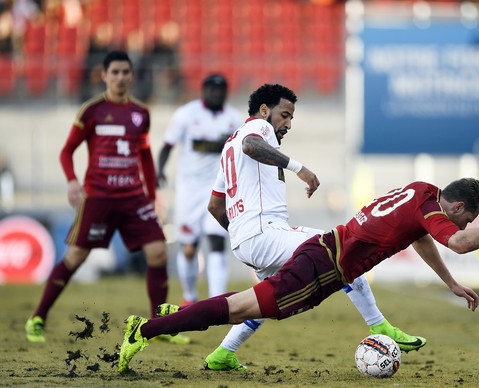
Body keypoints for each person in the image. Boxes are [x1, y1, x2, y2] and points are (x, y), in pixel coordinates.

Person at [124, 83, 426, 372]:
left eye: (292, 117)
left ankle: (221, 353)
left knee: (258, 304)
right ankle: (380, 325)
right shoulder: (259, 129)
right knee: (341, 251)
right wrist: (300, 169)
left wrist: (243, 234)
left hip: (248, 240)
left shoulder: (227, 146)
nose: (289, 124)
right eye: (286, 115)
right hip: (263, 233)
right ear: (264, 110)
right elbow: (251, 145)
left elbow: (215, 206)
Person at [117, 178, 479, 373]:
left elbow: (421, 237)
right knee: (240, 308)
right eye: (468, 219)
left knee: (244, 306)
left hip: (323, 255)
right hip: (323, 267)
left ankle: (174, 316)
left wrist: (451, 283)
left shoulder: (423, 191)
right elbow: (458, 243)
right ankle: (148, 328)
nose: (463, 227)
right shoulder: (436, 213)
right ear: (457, 207)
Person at [24, 50, 188, 345]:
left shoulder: (141, 113)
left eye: (126, 72)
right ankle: (38, 317)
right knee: (75, 257)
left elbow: (145, 158)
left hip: (134, 197)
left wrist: (152, 196)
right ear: (104, 76)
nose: (121, 77)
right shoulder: (91, 111)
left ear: (131, 76)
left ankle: (158, 325)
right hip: (98, 197)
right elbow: (66, 151)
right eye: (115, 72)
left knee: (158, 253)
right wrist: (73, 182)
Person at [157, 73, 242, 306]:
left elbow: (243, 152)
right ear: (203, 90)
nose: (216, 93)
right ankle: (190, 296)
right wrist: (159, 170)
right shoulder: (186, 115)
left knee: (217, 241)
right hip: (189, 191)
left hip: (218, 190)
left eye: (221, 89)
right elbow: (167, 146)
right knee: (188, 247)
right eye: (212, 89)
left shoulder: (234, 120)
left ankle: (217, 301)